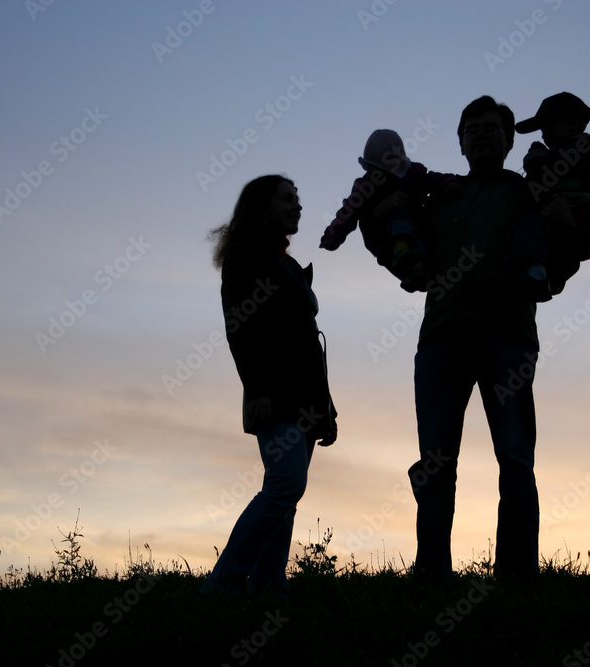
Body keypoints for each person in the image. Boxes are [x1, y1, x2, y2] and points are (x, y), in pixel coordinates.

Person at [405, 96, 541, 585]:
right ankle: (431, 574)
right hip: (442, 339)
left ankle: (519, 578)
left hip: (508, 337)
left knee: (515, 458)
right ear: (459, 141)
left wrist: (548, 279)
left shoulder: (528, 192)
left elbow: (567, 240)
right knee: (436, 461)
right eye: (472, 128)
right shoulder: (439, 195)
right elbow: (398, 235)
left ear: (509, 139)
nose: (481, 134)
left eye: (492, 128)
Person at [203, 174, 337, 598]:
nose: (297, 206)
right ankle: (224, 582)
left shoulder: (284, 262)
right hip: (275, 392)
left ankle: (267, 583)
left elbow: (307, 341)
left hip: (304, 394)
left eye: (298, 199)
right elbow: (240, 327)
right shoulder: (248, 256)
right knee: (284, 486)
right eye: (287, 199)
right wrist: (257, 388)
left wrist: (326, 408)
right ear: (262, 207)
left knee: (287, 494)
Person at [505, 92, 590, 301]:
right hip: (582, 228)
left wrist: (535, 160)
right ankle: (548, 277)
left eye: (548, 126)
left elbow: (545, 177)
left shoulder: (581, 147)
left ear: (573, 124)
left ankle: (538, 277)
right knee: (556, 246)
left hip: (587, 217)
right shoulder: (578, 153)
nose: (543, 134)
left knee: (532, 224)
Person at [320, 129, 459, 292]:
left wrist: (448, 182)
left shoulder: (414, 174)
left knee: (422, 240)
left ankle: (416, 272)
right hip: (385, 237)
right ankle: (402, 254)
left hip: (419, 230)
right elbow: (349, 211)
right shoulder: (366, 187)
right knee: (397, 213)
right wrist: (334, 234)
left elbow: (433, 179)